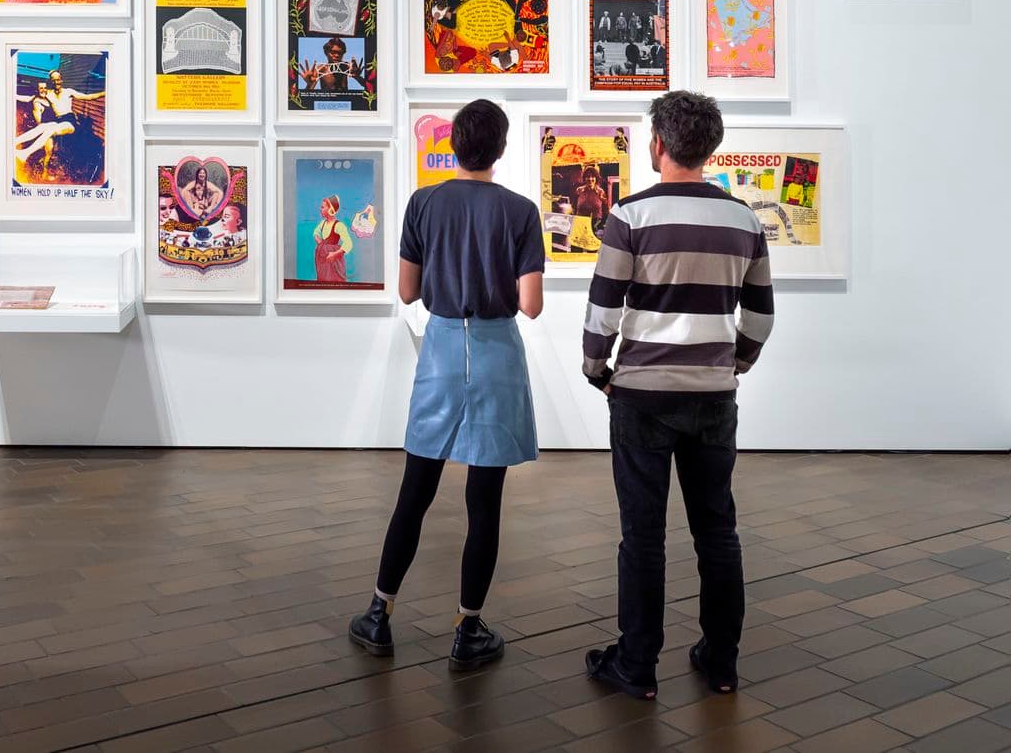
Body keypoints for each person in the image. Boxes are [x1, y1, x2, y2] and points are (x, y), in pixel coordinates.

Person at [581, 90, 774, 701]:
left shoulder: (630, 217)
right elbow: (761, 318)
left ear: (657, 144)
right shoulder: (745, 220)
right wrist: (733, 364)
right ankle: (720, 662)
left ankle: (636, 665)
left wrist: (596, 369)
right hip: (713, 398)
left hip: (640, 396)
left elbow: (604, 308)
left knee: (643, 536)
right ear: (709, 147)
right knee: (717, 531)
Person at [348, 99, 545, 671]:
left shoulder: (424, 202)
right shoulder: (521, 211)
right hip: (496, 354)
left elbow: (408, 292)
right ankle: (468, 627)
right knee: (485, 502)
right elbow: (529, 305)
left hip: (439, 350)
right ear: (501, 149)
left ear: (453, 146)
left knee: (416, 490)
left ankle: (380, 615)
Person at [311, 195, 353, 283]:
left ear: (331, 209)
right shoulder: (322, 223)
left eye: (323, 207)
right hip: (323, 261)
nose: (320, 209)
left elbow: (348, 243)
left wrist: (334, 254)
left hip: (333, 262)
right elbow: (316, 233)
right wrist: (320, 243)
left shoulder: (339, 225)